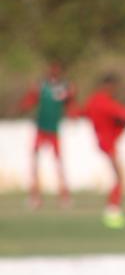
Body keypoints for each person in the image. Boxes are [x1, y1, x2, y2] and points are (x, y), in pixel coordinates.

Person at [80, 75, 125, 229]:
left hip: (104, 142)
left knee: (119, 177)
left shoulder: (92, 101)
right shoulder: (104, 103)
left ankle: (113, 210)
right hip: (108, 144)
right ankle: (112, 212)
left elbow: (83, 113)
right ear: (109, 86)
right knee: (120, 177)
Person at [18, 60, 74, 209]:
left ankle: (64, 196)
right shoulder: (41, 86)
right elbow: (30, 100)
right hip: (41, 129)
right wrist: (22, 107)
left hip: (54, 130)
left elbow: (71, 103)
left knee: (58, 163)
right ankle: (35, 196)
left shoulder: (65, 87)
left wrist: (73, 114)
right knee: (35, 163)